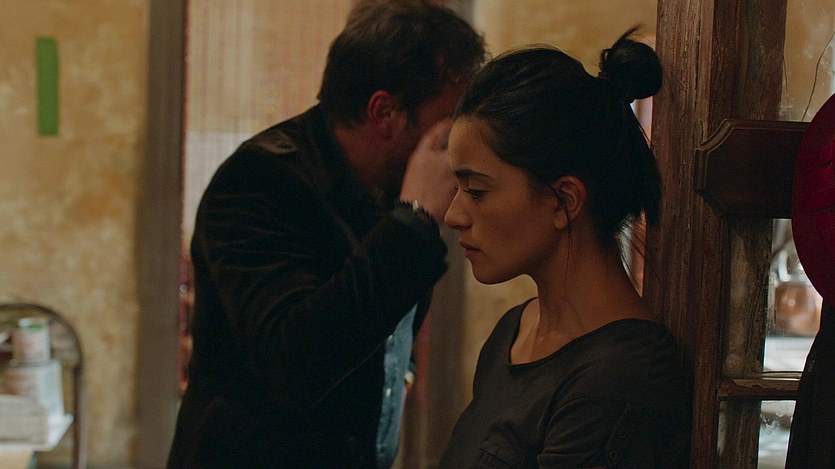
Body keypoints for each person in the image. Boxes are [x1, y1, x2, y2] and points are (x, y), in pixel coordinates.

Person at [165, 1, 486, 467]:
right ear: (385, 112)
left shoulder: (390, 186)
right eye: (447, 126)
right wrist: (414, 221)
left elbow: (387, 325)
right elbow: (293, 362)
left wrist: (400, 373)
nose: (456, 146)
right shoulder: (258, 182)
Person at [439, 28, 692, 468]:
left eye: (476, 191)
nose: (453, 215)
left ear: (564, 201)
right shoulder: (514, 332)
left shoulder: (625, 375)